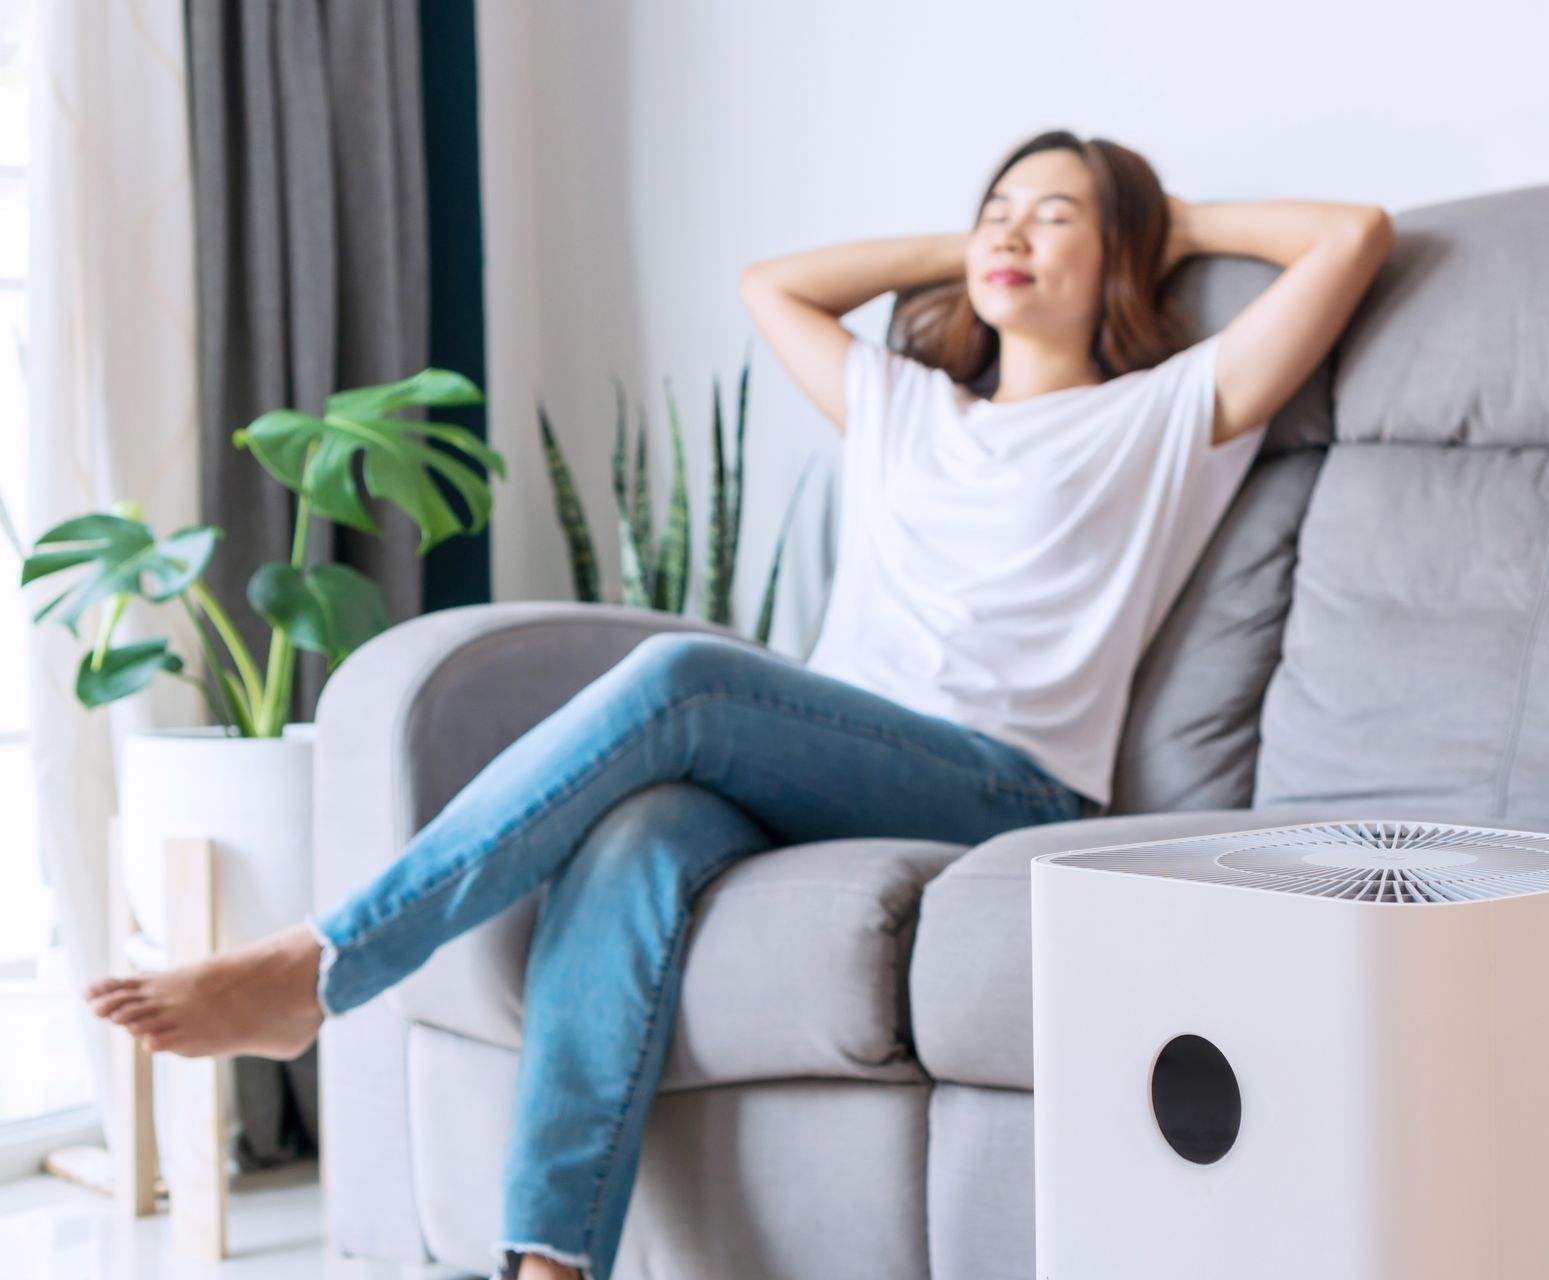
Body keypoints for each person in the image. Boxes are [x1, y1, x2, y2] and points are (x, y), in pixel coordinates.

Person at [85, 128, 1392, 1280]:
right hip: (822, 756)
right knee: (635, 837)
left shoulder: (1164, 418)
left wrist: (1155, 218)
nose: (1011, 230)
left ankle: (327, 966)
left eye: (1056, 216)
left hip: (1001, 779)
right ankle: (548, 1265)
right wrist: (992, 229)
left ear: (1120, 259)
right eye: (997, 207)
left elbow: (1352, 236)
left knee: (683, 682)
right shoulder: (904, 408)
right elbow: (776, 284)